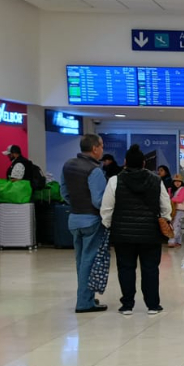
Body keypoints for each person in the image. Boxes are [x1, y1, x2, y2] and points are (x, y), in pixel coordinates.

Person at [101, 146, 171, 316]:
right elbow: (166, 206)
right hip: (151, 234)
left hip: (123, 234)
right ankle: (153, 305)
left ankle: (127, 305)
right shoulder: (156, 180)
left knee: (126, 268)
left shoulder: (114, 181)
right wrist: (165, 220)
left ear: (125, 162)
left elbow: (107, 208)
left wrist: (109, 225)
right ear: (144, 163)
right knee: (150, 269)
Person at [60, 133, 108, 314]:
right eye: (101, 146)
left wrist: (75, 204)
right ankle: (84, 302)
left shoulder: (68, 165)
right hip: (92, 220)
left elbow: (63, 191)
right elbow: (98, 200)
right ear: (95, 148)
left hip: (74, 219)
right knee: (89, 261)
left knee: (80, 261)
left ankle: (85, 297)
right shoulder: (94, 170)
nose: (103, 149)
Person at [168, 174, 184, 246]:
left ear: (181, 182)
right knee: (177, 226)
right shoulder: (171, 190)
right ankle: (178, 241)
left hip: (180, 210)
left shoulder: (183, 190)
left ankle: (172, 241)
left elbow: (180, 199)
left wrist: (171, 200)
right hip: (172, 210)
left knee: (175, 225)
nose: (177, 183)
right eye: (176, 181)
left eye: (179, 181)